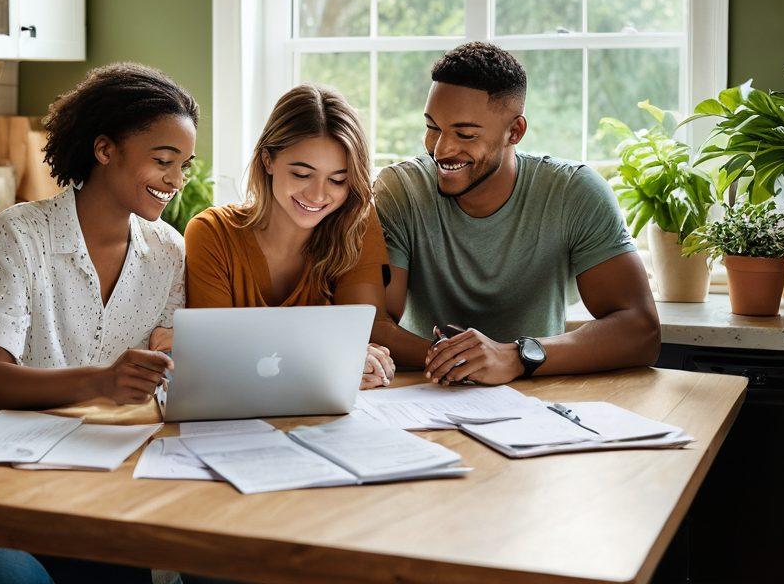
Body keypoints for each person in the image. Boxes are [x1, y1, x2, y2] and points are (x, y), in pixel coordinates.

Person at [0, 62, 197, 584]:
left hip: (71, 496)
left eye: (184, 165)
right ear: (104, 148)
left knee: (19, 574)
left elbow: (168, 364)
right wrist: (104, 381)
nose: (176, 181)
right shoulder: (23, 233)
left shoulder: (168, 253)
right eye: (163, 160)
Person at [338, 42, 659, 385]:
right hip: (426, 394)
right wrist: (461, 361)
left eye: (465, 134)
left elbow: (641, 330)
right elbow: (372, 325)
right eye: (433, 127)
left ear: (515, 131)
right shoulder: (401, 191)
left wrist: (515, 357)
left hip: (543, 397)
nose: (441, 148)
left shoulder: (574, 192)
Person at [185, 84, 395, 388]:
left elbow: (365, 334)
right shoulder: (211, 232)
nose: (318, 194)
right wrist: (331, 358)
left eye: (338, 180)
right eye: (302, 174)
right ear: (268, 160)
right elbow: (214, 355)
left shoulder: (355, 222)